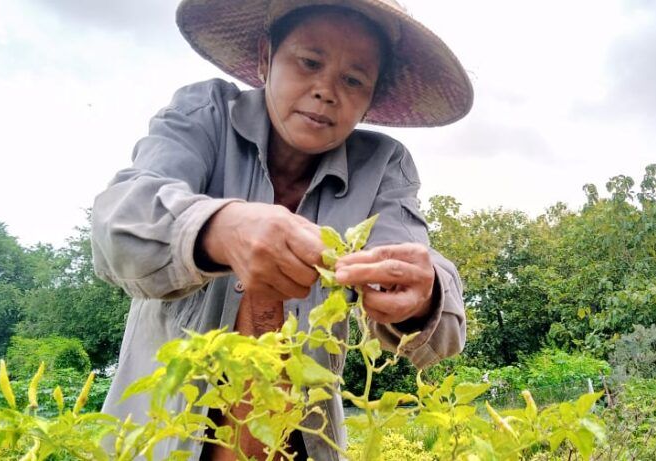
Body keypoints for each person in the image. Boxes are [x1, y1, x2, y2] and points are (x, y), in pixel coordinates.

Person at [91, 0, 473, 459]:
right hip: (160, 443)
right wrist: (220, 227)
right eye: (309, 62)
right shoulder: (205, 115)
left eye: (354, 80)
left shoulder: (384, 166)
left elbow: (431, 306)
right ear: (265, 58)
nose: (326, 91)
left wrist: (423, 294)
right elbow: (117, 224)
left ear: (371, 97)